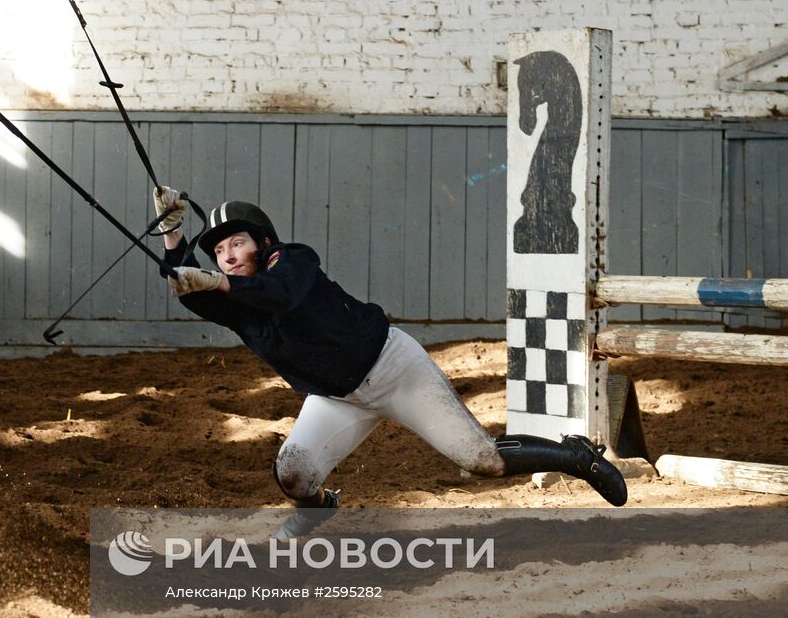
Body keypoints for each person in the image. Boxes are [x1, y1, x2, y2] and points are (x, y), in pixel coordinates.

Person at [152, 188, 627, 522]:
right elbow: (187, 289)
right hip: (337, 395)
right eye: (218, 251)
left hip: (394, 369)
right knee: (294, 473)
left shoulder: (293, 261)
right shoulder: (236, 303)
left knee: (483, 461)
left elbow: (279, 295)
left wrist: (215, 281)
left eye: (237, 242)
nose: (228, 255)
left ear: (264, 243)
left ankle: (574, 457)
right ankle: (321, 511)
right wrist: (172, 237)